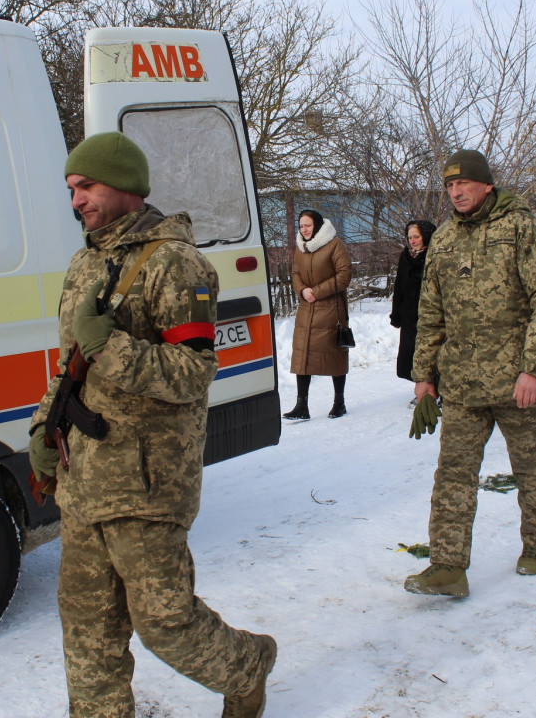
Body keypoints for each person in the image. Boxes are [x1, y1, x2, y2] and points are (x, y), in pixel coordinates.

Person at [27, 132, 276, 717]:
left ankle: (246, 667)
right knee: (87, 625)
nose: (76, 201)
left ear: (123, 185)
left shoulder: (175, 262)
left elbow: (194, 372)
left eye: (86, 186)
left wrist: (109, 346)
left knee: (165, 622)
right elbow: (71, 366)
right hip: (84, 477)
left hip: (146, 481)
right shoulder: (86, 261)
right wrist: (43, 429)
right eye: (70, 189)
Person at [405, 149, 536, 597]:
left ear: (486, 186)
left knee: (531, 469)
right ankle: (448, 567)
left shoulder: (519, 227)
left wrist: (534, 369)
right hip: (462, 383)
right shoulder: (445, 239)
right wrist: (424, 376)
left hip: (518, 384)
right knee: (452, 474)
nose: (456, 192)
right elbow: (430, 312)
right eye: (450, 186)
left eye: (464, 184)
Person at [285, 209, 353, 419]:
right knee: (302, 355)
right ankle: (301, 406)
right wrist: (302, 290)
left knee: (334, 355)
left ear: (318, 225)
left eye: (308, 225)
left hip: (331, 308)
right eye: (301, 225)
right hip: (307, 308)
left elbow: (344, 275)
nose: (304, 229)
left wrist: (317, 291)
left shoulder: (334, 244)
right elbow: (296, 273)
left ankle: (339, 403)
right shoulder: (301, 248)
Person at [391, 219, 437, 389]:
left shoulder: (436, 254)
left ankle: (438, 389)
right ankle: (422, 387)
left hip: (432, 316)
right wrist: (396, 314)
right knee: (410, 355)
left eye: (416, 236)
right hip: (410, 316)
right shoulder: (406, 256)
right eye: (410, 237)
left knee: (432, 354)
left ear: (426, 236)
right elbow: (399, 286)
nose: (412, 241)